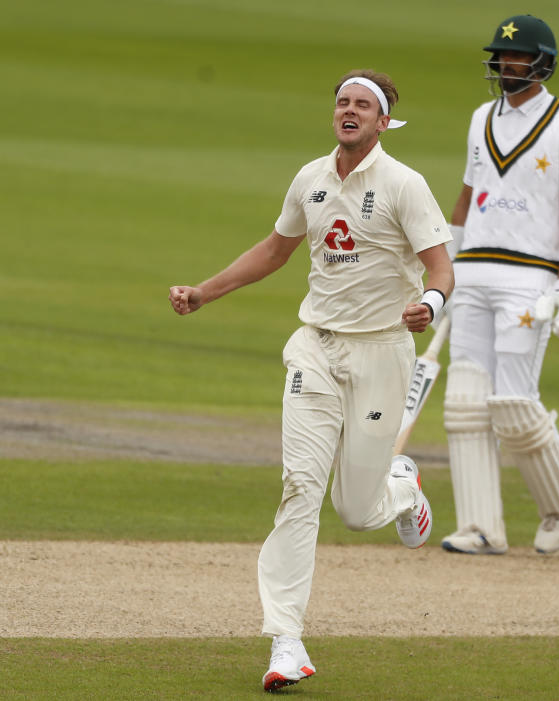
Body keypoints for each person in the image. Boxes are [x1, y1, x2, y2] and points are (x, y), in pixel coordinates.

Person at [169, 69, 454, 692]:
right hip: (315, 350)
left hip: (382, 352)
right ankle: (286, 642)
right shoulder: (311, 178)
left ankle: (403, 489)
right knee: (299, 487)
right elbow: (276, 249)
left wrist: (429, 305)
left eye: (362, 106)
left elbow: (440, 265)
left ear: (383, 122)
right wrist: (203, 293)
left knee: (355, 509)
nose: (348, 112)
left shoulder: (405, 185)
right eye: (342, 103)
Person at [440, 14, 559, 557]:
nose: (506, 64)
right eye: (501, 57)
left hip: (529, 277)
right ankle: (481, 527)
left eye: (517, 57)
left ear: (541, 62)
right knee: (464, 402)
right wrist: (444, 277)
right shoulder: (481, 117)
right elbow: (464, 200)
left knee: (511, 401)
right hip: (474, 270)